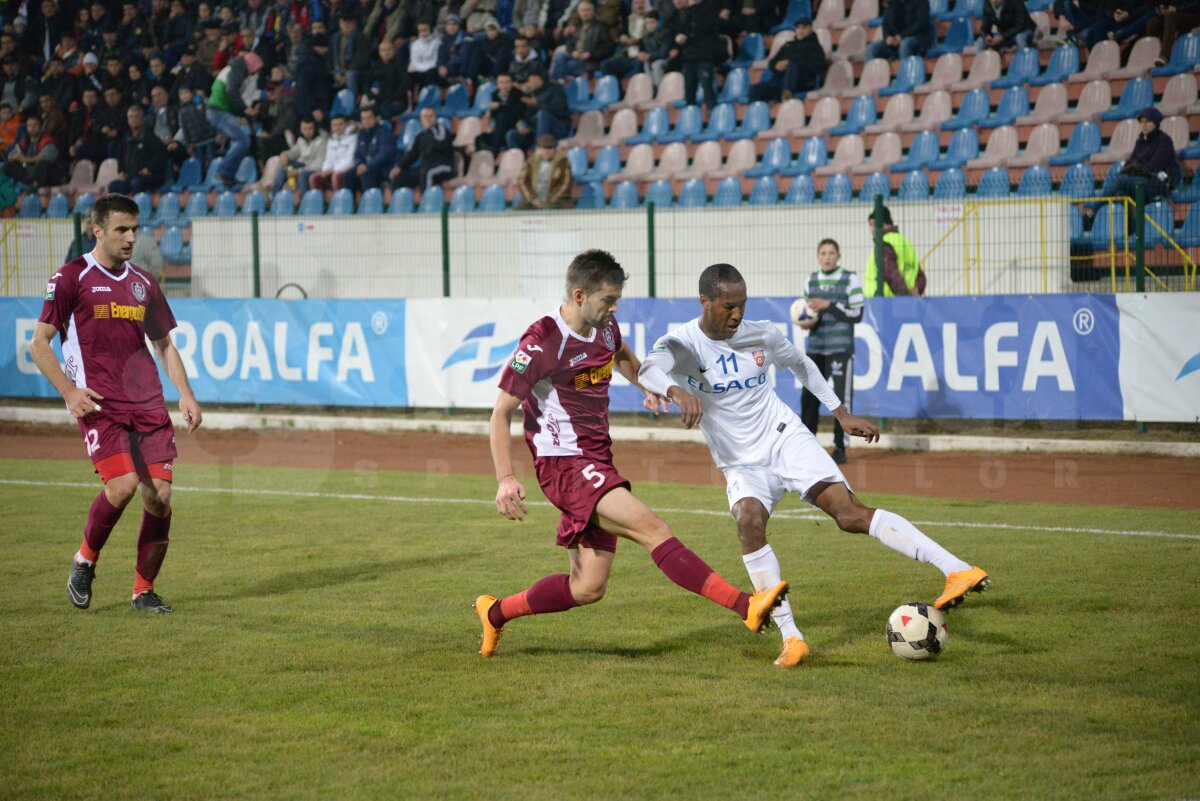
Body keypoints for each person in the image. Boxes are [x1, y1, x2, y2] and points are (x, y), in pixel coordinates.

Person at [637, 263, 989, 667]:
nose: (737, 315)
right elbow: (649, 368)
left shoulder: (763, 333)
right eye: (728, 306)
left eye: (742, 305)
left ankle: (957, 569)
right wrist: (675, 391)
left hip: (784, 437)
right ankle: (792, 638)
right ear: (705, 302)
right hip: (740, 464)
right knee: (747, 521)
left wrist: (840, 414)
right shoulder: (682, 343)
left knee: (849, 514)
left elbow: (802, 365)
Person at [475, 249, 788, 657]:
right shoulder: (542, 342)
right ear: (580, 295)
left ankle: (495, 613)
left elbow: (620, 354)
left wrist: (646, 386)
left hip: (596, 461)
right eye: (608, 300)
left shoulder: (604, 328)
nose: (615, 307)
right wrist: (505, 478)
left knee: (587, 587)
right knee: (652, 528)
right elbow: (500, 413)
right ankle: (746, 605)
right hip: (564, 466)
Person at [29, 193, 203, 615]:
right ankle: (85, 560)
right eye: (122, 230)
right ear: (99, 231)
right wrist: (70, 392)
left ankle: (143, 592)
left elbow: (163, 344)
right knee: (123, 486)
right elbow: (39, 344)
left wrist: (185, 392)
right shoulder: (72, 277)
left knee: (159, 497)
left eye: (135, 230)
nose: (130, 238)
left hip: (147, 404)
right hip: (100, 404)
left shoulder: (143, 282)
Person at [796, 239, 863, 466]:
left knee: (841, 399)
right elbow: (808, 315)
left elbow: (857, 314)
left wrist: (830, 305)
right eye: (823, 253)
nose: (827, 257)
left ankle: (840, 447)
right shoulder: (810, 281)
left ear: (839, 256)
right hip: (815, 348)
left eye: (831, 253)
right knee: (809, 398)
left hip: (841, 349)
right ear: (818, 257)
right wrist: (806, 324)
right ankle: (807, 444)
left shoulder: (850, 279)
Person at [1085, 107, 1181, 214]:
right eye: (1141, 122)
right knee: (1119, 195)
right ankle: (1132, 228)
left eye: (1147, 122)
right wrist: (1136, 167)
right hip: (1139, 182)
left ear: (1155, 123)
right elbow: (1129, 164)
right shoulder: (1140, 142)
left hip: (1158, 184)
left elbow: (1153, 167)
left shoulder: (1164, 141)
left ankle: (1095, 208)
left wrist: (1136, 167)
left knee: (1120, 180)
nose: (1143, 125)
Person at [205, 50, 265, 186]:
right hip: (219, 110)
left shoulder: (232, 69)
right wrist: (245, 109)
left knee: (241, 140)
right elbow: (232, 91)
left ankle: (228, 177)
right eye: (255, 70)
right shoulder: (238, 69)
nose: (255, 74)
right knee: (243, 141)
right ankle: (224, 172)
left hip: (217, 111)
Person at [748, 16, 826, 102]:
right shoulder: (788, 45)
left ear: (810, 29)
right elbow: (772, 62)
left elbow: (819, 65)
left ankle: (787, 96)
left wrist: (792, 64)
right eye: (798, 27)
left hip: (802, 83)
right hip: (780, 83)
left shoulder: (815, 47)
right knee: (755, 89)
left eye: (804, 27)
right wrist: (776, 65)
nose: (800, 30)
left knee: (792, 65)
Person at [864, 204, 926, 297]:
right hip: (906, 301)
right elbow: (920, 276)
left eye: (875, 224)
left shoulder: (884, 243)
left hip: (886, 302)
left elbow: (890, 273)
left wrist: (904, 298)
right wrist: (916, 290)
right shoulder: (906, 243)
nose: (872, 229)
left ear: (886, 224)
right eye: (870, 225)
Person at [389, 105, 455, 190]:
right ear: (421, 120)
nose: (428, 119)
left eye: (430, 116)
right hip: (425, 167)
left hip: (444, 166)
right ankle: (398, 202)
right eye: (425, 117)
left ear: (435, 118)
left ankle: (428, 201)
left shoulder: (441, 129)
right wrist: (400, 167)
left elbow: (441, 144)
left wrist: (431, 132)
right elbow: (412, 155)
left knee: (428, 173)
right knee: (399, 177)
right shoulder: (420, 136)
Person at [108, 105, 169, 194]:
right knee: (114, 186)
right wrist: (121, 171)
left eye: (137, 116)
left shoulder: (150, 137)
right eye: (131, 117)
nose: (134, 119)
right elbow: (120, 156)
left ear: (143, 119)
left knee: (137, 183)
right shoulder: (126, 138)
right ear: (128, 120)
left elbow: (162, 154)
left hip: (149, 176)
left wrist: (149, 168)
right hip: (130, 175)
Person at [506, 69, 570, 149]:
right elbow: (527, 116)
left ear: (538, 79)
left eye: (529, 80)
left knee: (543, 114)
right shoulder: (531, 94)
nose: (527, 84)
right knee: (512, 134)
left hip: (558, 128)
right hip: (536, 130)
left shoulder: (555, 89)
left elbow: (560, 111)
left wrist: (537, 104)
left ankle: (539, 151)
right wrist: (523, 125)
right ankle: (520, 158)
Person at [516, 133, 574, 208]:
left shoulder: (563, 162)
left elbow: (565, 184)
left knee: (550, 210)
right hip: (532, 200)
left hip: (557, 201)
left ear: (555, 149)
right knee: (518, 212)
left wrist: (549, 200)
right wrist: (532, 199)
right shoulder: (530, 162)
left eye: (550, 148)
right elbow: (522, 181)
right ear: (538, 149)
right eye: (543, 148)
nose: (546, 151)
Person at [346, 104, 395, 193]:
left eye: (369, 118)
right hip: (366, 167)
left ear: (376, 118)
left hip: (383, 169)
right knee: (348, 175)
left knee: (367, 174)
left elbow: (385, 154)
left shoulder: (384, 132)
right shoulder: (362, 134)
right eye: (363, 118)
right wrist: (359, 164)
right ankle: (352, 204)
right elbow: (357, 154)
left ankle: (371, 204)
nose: (366, 121)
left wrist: (367, 166)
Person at [864, 0, 936, 61]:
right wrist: (887, 37)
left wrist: (901, 37)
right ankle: (870, 76)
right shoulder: (893, 3)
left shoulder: (921, 2)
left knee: (905, 44)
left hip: (918, 39)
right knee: (871, 48)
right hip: (896, 42)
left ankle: (905, 74)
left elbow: (920, 24)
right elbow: (885, 24)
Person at [275, 116, 327, 193]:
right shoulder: (301, 140)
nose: (307, 132)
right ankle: (275, 195)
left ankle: (303, 201)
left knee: (302, 175)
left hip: (314, 169)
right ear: (301, 129)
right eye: (305, 129)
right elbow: (293, 152)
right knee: (285, 167)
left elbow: (318, 165)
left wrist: (299, 171)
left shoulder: (322, 141)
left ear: (315, 128)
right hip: (303, 166)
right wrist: (285, 155)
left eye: (310, 128)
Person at [309, 113, 358, 192]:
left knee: (336, 176)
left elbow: (350, 160)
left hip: (346, 170)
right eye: (334, 125)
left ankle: (338, 201)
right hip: (332, 170)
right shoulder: (331, 140)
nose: (337, 127)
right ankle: (321, 202)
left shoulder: (352, 138)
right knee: (314, 178)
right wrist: (325, 170)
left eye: (340, 124)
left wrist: (334, 170)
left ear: (345, 125)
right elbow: (328, 159)